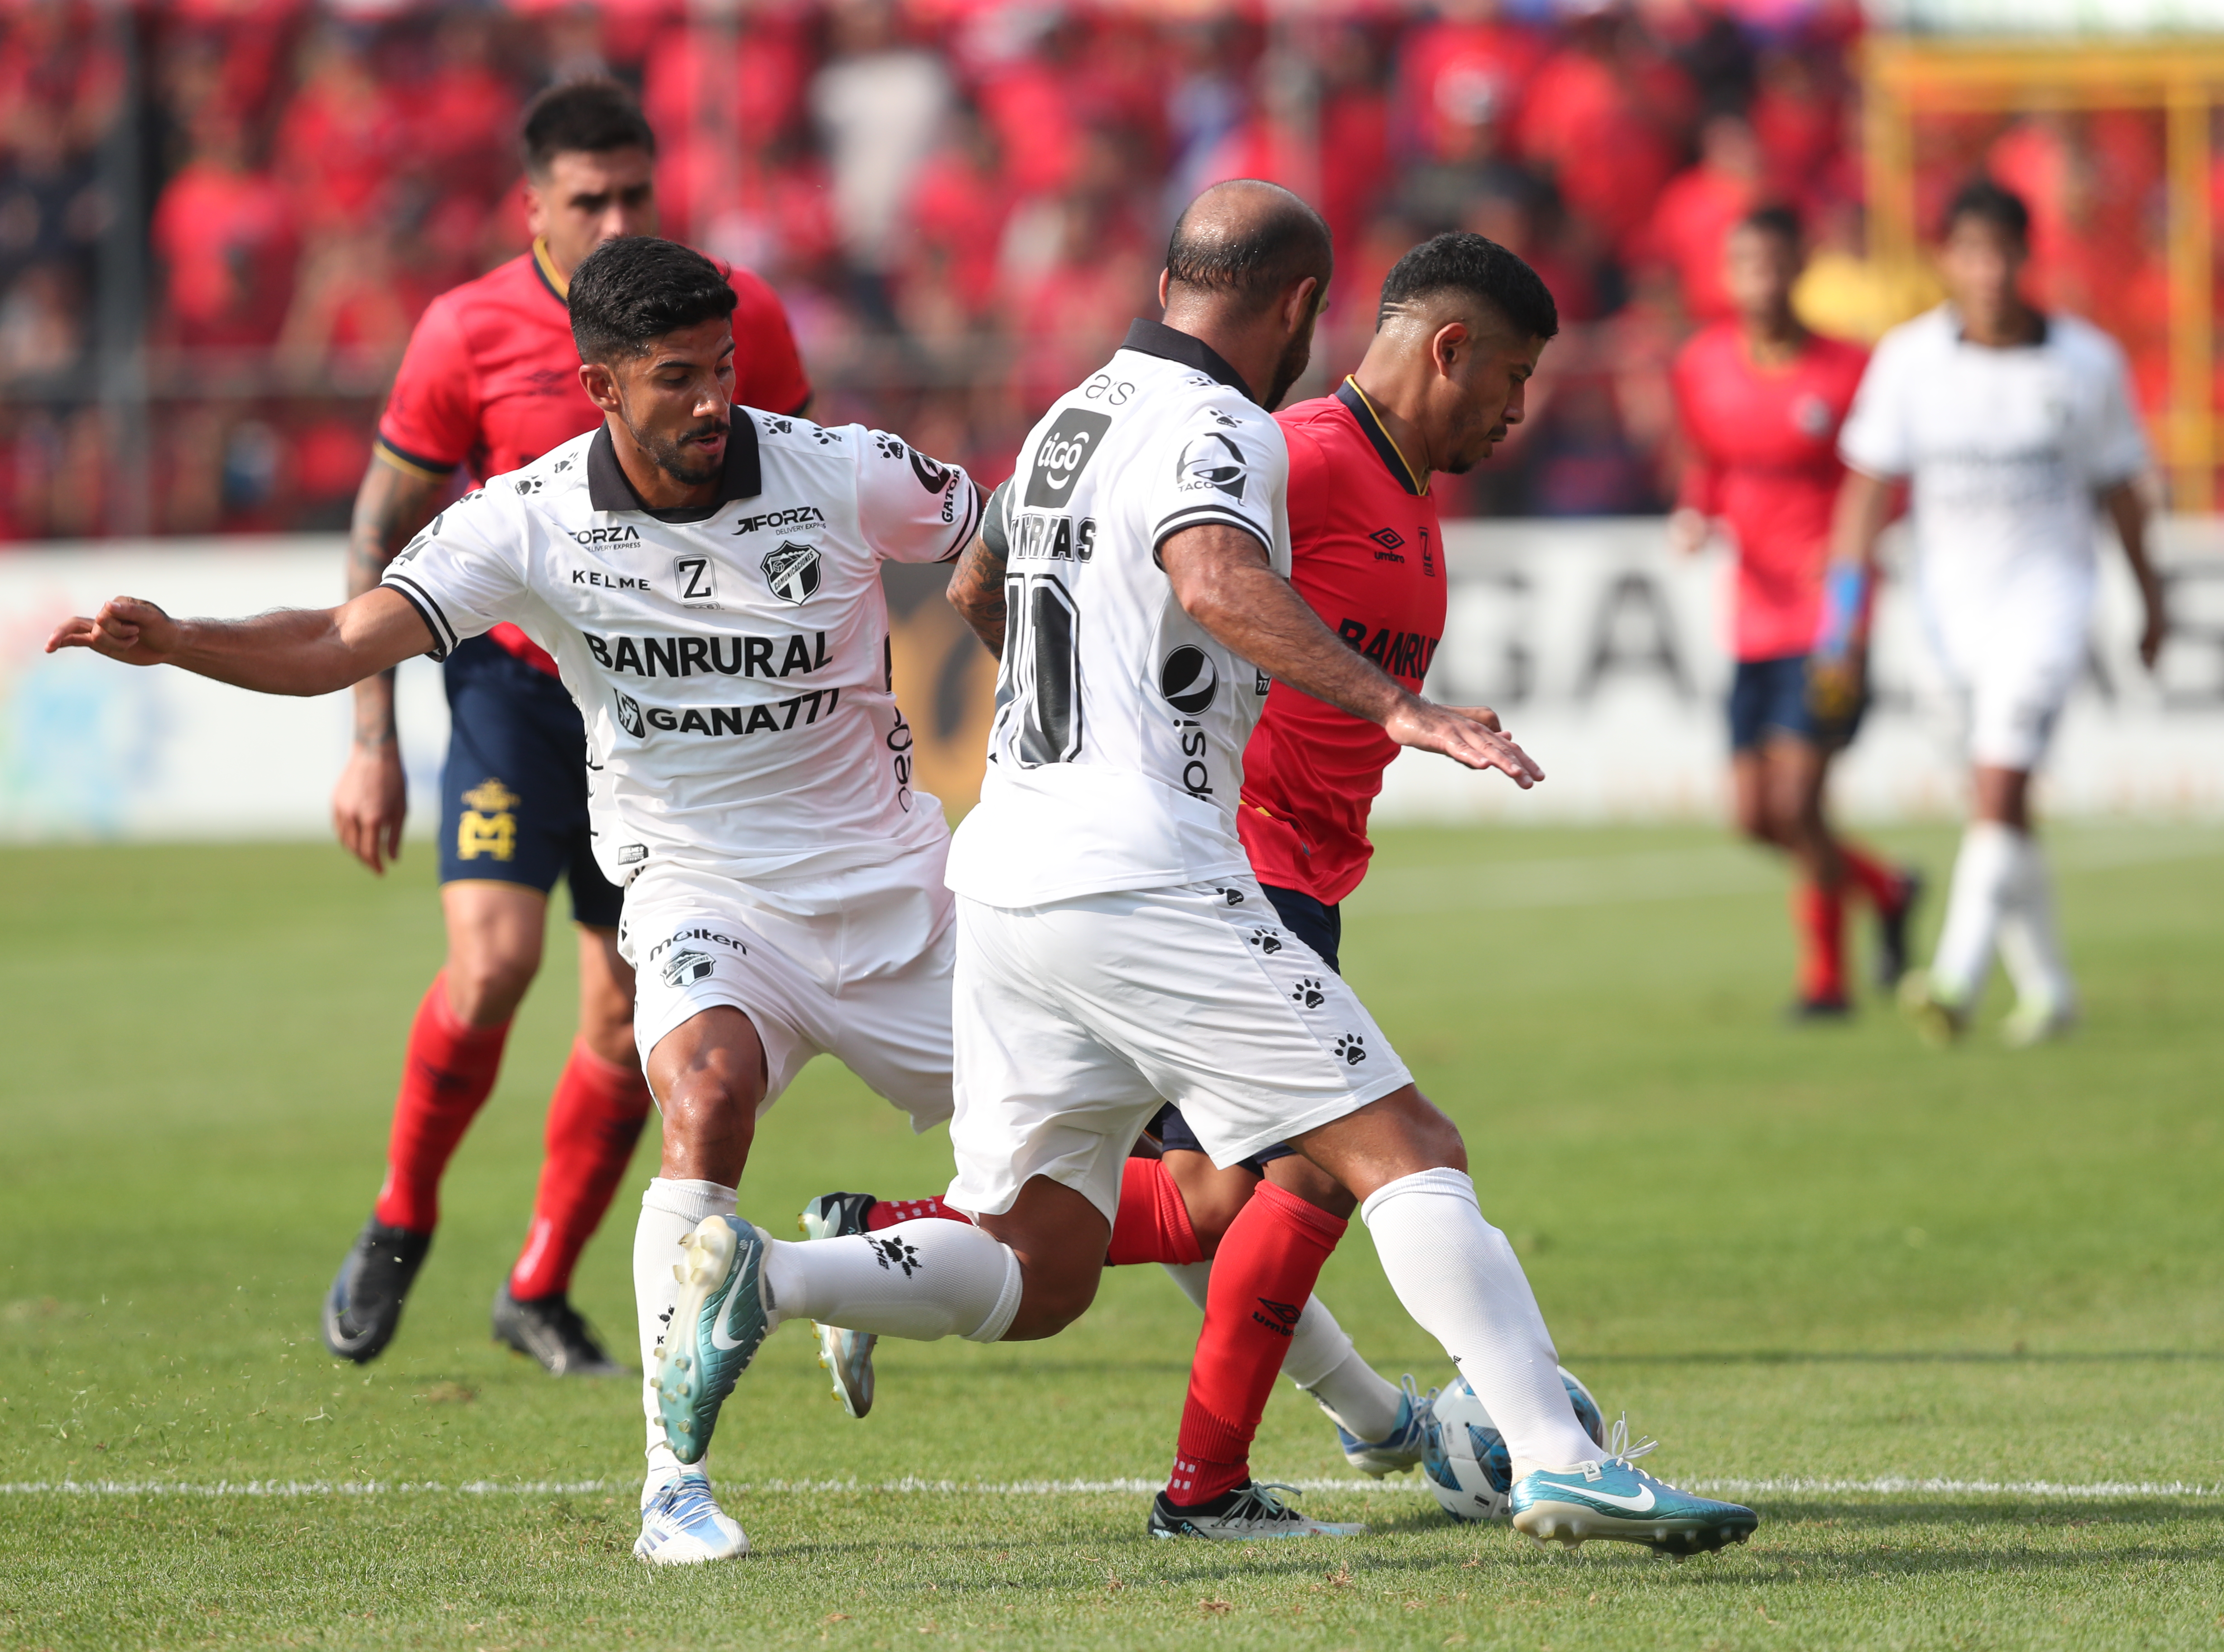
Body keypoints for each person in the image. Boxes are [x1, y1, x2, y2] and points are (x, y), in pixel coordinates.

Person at [650, 187, 1759, 1559]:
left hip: (1010, 871)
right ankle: (1557, 1457)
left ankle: (774, 1274)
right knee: (1401, 1149)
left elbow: (982, 587)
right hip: (1146, 871)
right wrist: (1396, 707)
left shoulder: (1069, 417)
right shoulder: (1231, 427)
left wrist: (1098, 703)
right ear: (1299, 308)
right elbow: (1219, 573)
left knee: (1038, 1256)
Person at [47, 237, 984, 1567]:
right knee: (704, 1095)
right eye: (677, 380)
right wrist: (182, 640)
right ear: (599, 385)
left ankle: (855, 1263)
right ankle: (675, 1489)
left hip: (898, 895)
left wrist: (1023, 631)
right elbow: (337, 637)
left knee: (1075, 1207)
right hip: (703, 895)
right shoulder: (531, 519)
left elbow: (1008, 536)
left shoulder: (846, 472)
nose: (716, 402)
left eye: (723, 369)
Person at [322, 80, 812, 1379]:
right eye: (585, 198)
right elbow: (382, 528)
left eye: (633, 194)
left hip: (656, 713)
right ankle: (401, 1216)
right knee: (491, 966)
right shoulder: (463, 329)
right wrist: (369, 734)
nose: (612, 217)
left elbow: (793, 488)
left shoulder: (734, 312)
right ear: (530, 205)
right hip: (511, 692)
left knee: (617, 1022)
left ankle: (538, 1284)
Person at [1828, 179, 2165, 1048]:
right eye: (1970, 253)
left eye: (2003, 253)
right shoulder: (1908, 360)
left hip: (2049, 598)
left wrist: (2152, 600)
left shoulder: (2086, 364)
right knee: (1996, 805)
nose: (1988, 272)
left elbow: (2123, 492)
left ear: (2028, 256)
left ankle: (1953, 978)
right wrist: (1842, 620)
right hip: (1943, 611)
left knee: (2002, 783)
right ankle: (2050, 988)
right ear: (1947, 260)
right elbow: (1865, 497)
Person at [1670, 205, 1919, 1018]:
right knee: (1753, 817)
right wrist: (1697, 512)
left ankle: (1826, 982)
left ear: (1799, 269)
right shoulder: (1703, 364)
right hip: (1752, 615)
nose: (1762, 283)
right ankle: (1885, 887)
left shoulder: (1850, 371)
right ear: (1729, 274)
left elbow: (1891, 483)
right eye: (1747, 267)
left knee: (1799, 801)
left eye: (1776, 266)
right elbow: (1707, 463)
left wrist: (1852, 556)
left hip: (1828, 619)